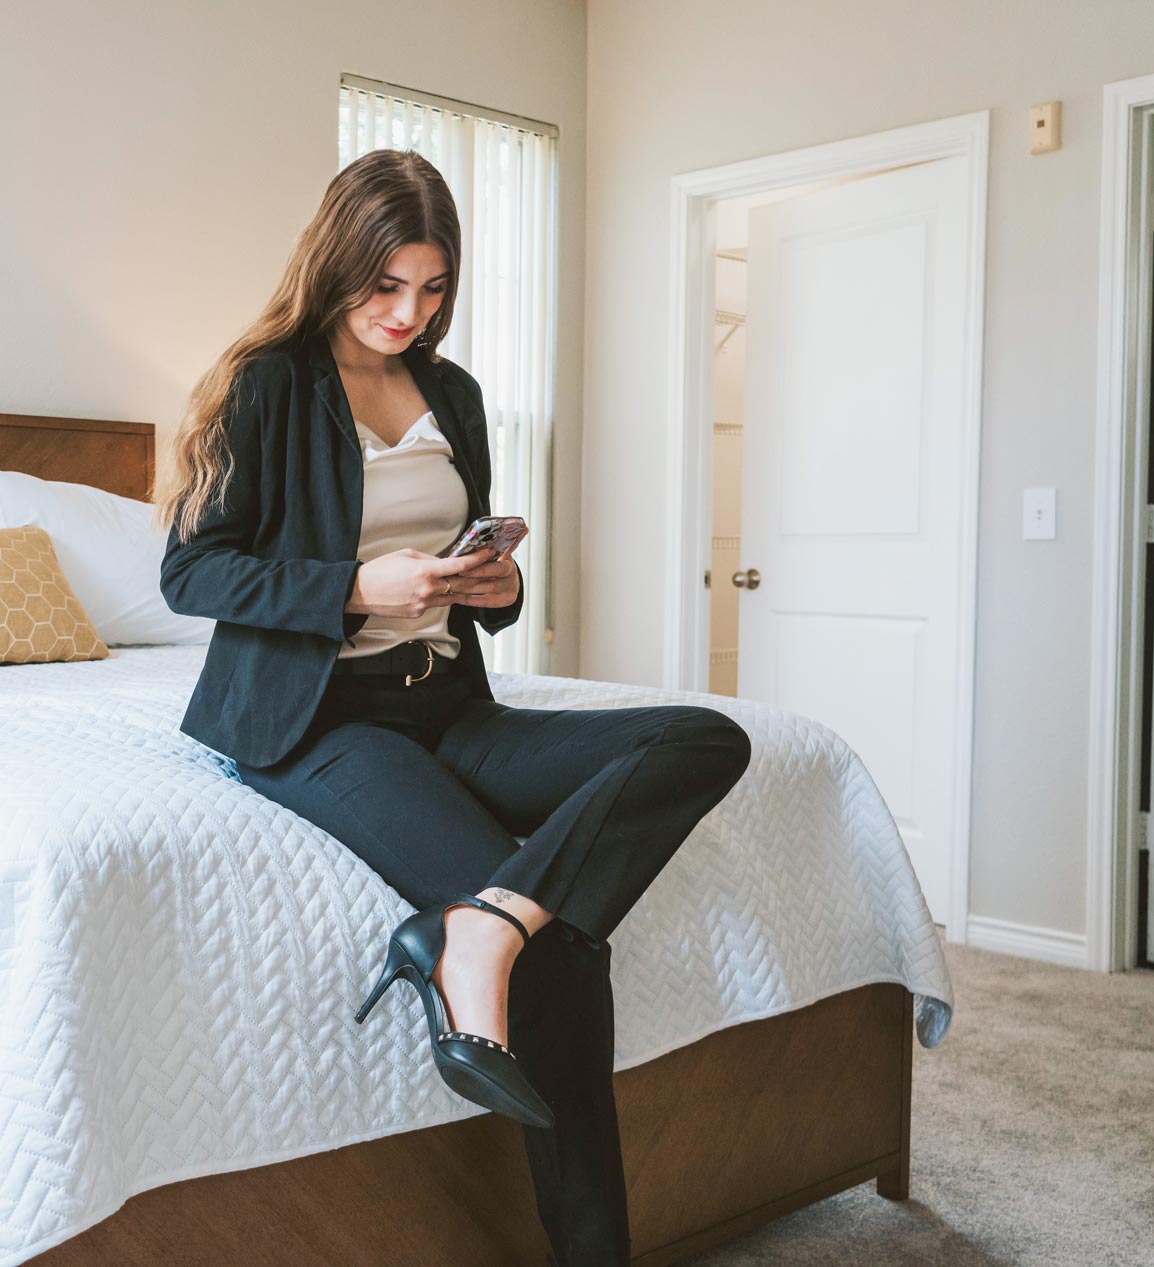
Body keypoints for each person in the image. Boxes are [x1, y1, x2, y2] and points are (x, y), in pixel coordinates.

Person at [156, 149, 753, 1267]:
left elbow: (479, 592)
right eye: (385, 286)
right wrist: (348, 586)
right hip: (317, 717)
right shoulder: (270, 383)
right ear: (337, 264)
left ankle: (475, 926)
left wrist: (497, 584)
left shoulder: (456, 394)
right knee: (563, 953)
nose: (406, 312)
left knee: (703, 735)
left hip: (449, 700)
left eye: (431, 289)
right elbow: (192, 574)